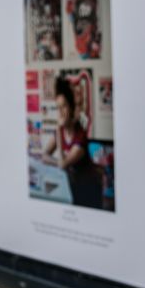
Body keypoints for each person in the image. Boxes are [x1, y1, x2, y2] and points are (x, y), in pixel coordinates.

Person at [42, 77, 101, 208]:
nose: (60, 112)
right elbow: (44, 156)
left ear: (71, 107)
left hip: (88, 189)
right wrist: (57, 162)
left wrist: (58, 128)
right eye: (58, 107)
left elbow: (63, 165)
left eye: (63, 106)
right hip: (72, 186)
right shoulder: (61, 132)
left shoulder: (80, 136)